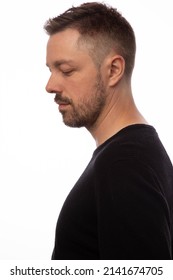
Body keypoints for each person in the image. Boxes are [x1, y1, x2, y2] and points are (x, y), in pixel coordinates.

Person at [44, 2, 173, 260]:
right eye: (50, 70)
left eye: (66, 70)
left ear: (113, 70)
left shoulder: (125, 164)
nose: (50, 85)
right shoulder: (134, 156)